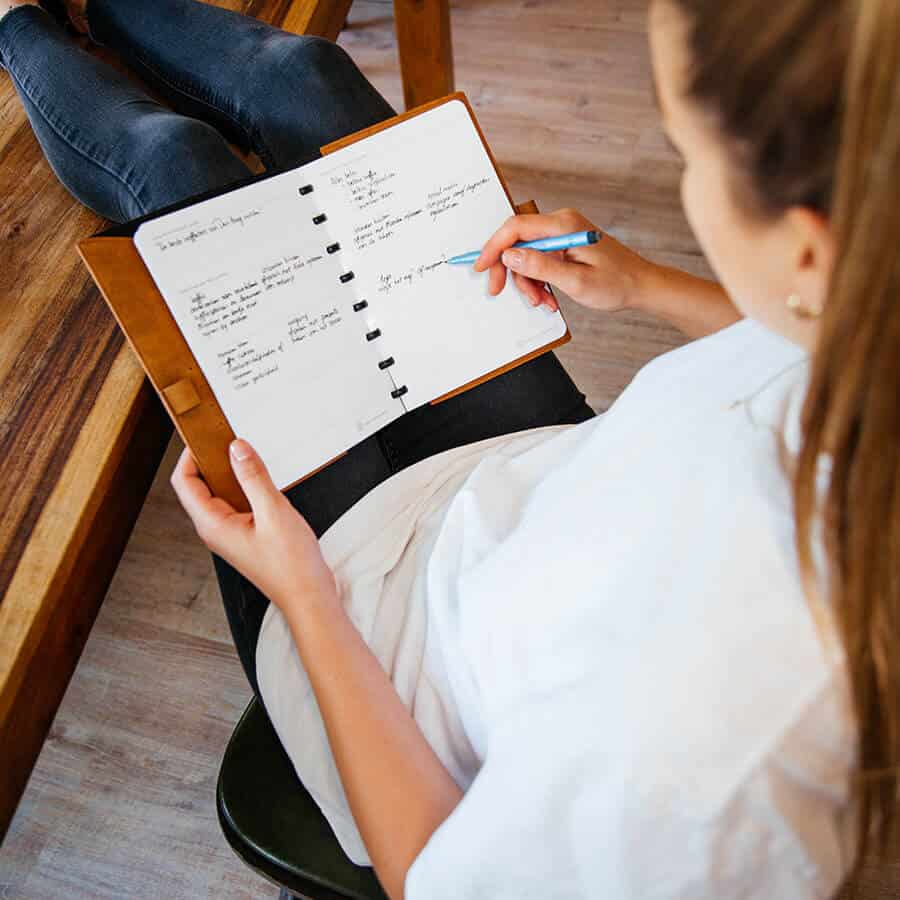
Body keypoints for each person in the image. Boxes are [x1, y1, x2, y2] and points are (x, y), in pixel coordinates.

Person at [3, 0, 897, 897]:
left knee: (177, 167)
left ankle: (15, 26)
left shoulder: (710, 791)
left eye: (690, 159)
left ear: (810, 252)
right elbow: (811, 360)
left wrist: (304, 596)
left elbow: (429, 875)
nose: (688, 184)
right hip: (523, 486)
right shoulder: (875, 329)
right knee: (304, 78)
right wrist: (648, 285)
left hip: (377, 648)